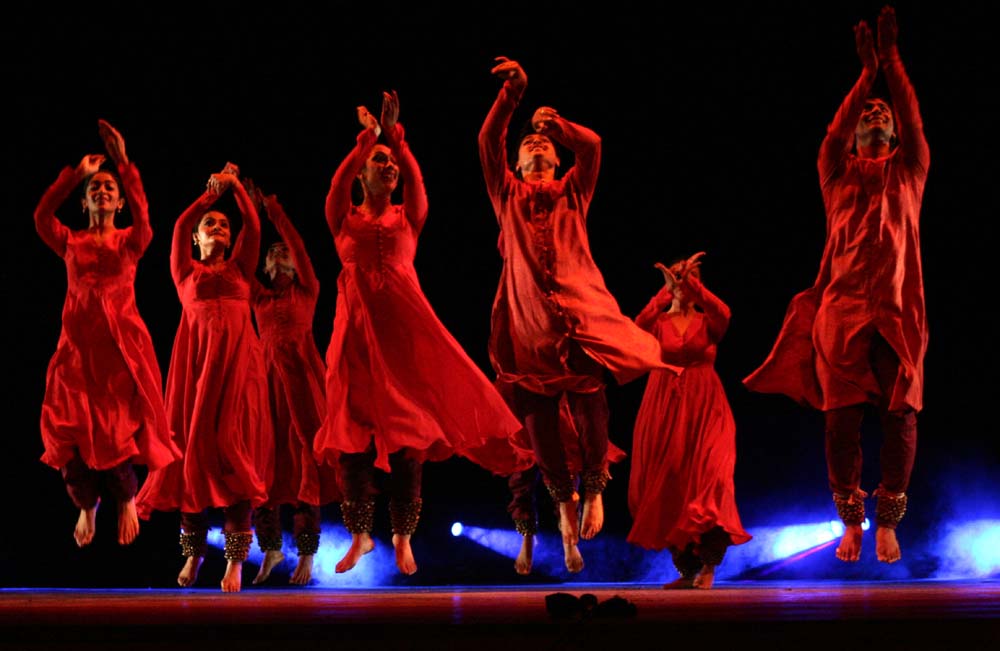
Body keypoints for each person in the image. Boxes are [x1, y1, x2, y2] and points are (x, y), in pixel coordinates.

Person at [743, 5, 928, 565]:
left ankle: (890, 518)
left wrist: (892, 63)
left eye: (882, 113)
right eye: (867, 113)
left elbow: (916, 121)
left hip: (898, 313)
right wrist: (865, 74)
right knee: (841, 424)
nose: (875, 113)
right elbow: (833, 130)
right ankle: (852, 520)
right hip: (841, 312)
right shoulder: (835, 170)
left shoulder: (910, 170)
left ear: (893, 132)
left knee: (900, 415)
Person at [313, 90, 523, 576]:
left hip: (404, 340)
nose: (387, 167)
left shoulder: (409, 216)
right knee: (351, 437)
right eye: (378, 163)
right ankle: (362, 536)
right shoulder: (342, 219)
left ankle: (403, 537)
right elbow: (336, 182)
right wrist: (368, 140)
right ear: (362, 174)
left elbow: (419, 181)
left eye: (391, 165)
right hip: (354, 342)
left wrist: (396, 141)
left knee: (408, 439)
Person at [479, 57, 675, 572]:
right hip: (528, 328)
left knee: (591, 409)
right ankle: (564, 514)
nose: (535, 147)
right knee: (541, 428)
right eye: (528, 146)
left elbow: (593, 147)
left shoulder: (573, 191)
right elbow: (486, 143)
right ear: (517, 165)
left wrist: (557, 127)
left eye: (540, 145)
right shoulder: (507, 195)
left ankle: (593, 490)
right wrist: (511, 99)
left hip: (580, 319)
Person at [34, 119, 181, 549]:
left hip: (120, 352)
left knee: (117, 432)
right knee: (68, 431)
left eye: (109, 189)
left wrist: (122, 162)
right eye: (94, 189)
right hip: (76, 354)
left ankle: (127, 498)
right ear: (84, 204)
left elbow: (147, 215)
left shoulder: (132, 241)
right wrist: (75, 175)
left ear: (118, 205)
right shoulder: (70, 242)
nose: (102, 191)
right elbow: (42, 215)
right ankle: (86, 503)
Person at [136, 164, 273, 592]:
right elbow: (178, 225)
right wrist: (210, 196)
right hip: (195, 372)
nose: (217, 226)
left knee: (234, 454)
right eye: (209, 225)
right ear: (198, 239)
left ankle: (234, 561)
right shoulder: (185, 272)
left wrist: (234, 188)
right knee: (191, 456)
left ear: (231, 239)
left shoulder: (240, 271)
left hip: (237, 370)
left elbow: (253, 221)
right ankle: (193, 551)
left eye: (222, 225)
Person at [628, 254, 751, 589]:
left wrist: (695, 287)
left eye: (689, 277)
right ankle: (686, 569)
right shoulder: (657, 321)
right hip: (663, 406)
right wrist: (663, 294)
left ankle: (710, 563)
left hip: (706, 404)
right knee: (667, 482)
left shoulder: (708, 321)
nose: (682, 283)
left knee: (711, 478)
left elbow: (724, 314)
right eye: (678, 277)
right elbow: (635, 329)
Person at [245, 181, 340, 586]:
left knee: (306, 465)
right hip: (266, 383)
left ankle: (306, 553)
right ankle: (270, 546)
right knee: (261, 463)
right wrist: (247, 210)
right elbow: (240, 261)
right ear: (266, 270)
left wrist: (273, 213)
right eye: (271, 253)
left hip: (302, 382)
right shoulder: (259, 299)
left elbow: (298, 246)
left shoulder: (308, 289)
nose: (277, 253)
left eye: (281, 251)